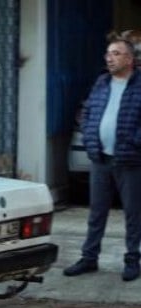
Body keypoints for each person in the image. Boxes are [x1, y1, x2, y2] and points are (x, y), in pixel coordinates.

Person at [64, 37, 141, 282]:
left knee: (133, 213)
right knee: (96, 212)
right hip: (100, 159)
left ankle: (132, 260)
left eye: (116, 53)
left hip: (130, 160)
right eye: (108, 53)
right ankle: (89, 258)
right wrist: (89, 137)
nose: (109, 58)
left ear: (129, 59)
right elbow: (88, 111)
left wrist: (135, 142)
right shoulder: (102, 82)